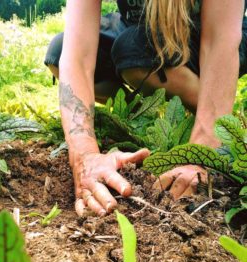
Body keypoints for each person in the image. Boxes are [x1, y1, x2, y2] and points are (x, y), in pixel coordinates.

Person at [45, 0, 247, 217]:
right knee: (59, 50)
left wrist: (200, 153)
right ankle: (143, 111)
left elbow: (220, 40)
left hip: (209, 33)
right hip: (139, 29)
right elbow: (77, 55)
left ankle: (220, 117)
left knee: (132, 49)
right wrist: (84, 156)